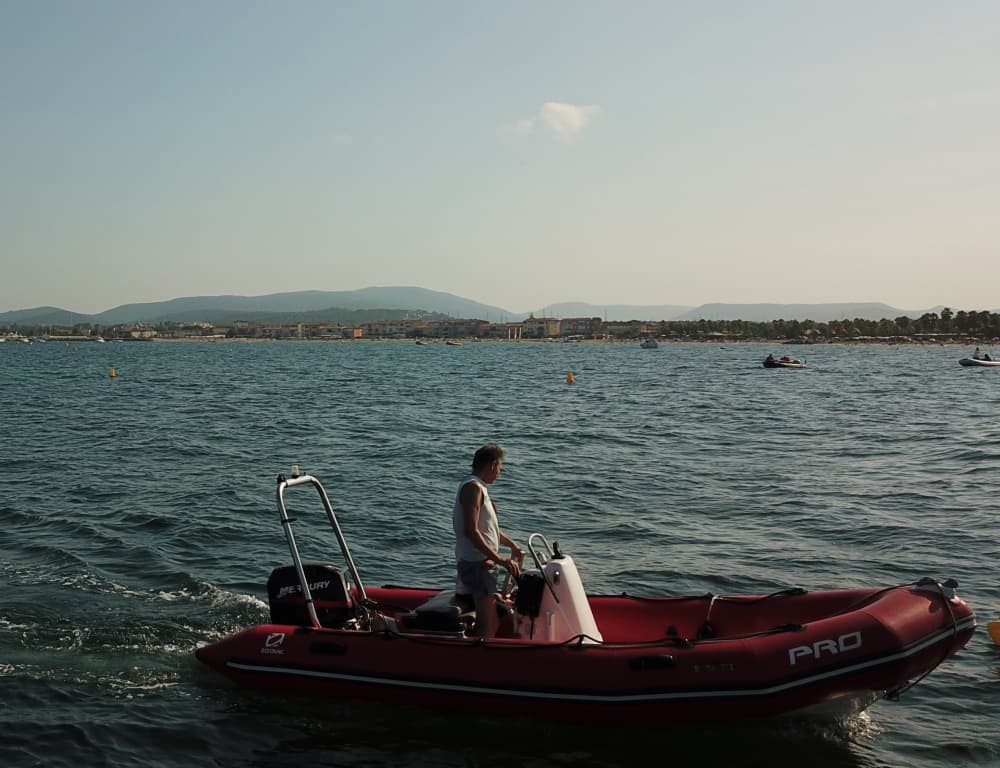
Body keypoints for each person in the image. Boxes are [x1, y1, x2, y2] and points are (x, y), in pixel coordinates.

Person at [453, 443, 523, 638]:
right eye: (500, 467)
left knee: (494, 616)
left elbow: (490, 531)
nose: (499, 473)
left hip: (484, 565)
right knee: (488, 622)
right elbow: (470, 531)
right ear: (492, 465)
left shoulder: (480, 489)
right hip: (477, 565)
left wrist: (513, 546)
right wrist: (500, 559)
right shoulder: (472, 488)